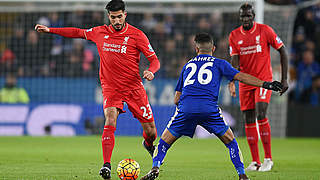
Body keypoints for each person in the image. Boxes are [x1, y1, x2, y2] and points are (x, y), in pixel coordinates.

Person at [35, 0, 160, 179]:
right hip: (111, 88)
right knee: (110, 120)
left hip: (134, 88)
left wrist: (151, 71)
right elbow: (77, 32)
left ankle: (148, 144)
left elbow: (155, 60)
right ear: (108, 16)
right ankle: (106, 165)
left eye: (119, 17)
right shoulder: (100, 32)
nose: (116, 21)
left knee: (151, 131)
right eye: (113, 17)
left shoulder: (137, 35)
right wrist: (50, 30)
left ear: (125, 15)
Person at [140, 33, 283, 180]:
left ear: (196, 49)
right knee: (231, 142)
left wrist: (186, 110)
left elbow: (176, 98)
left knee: (164, 142)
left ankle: (155, 167)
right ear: (213, 48)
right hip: (209, 109)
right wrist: (266, 84)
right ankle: (242, 175)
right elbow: (242, 77)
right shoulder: (220, 63)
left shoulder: (188, 65)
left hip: (187, 109)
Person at [228, 3, 289, 171]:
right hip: (245, 82)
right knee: (248, 119)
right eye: (243, 16)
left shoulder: (265, 30)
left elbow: (282, 51)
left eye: (248, 16)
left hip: (264, 81)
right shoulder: (234, 35)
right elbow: (234, 60)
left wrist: (284, 80)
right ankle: (256, 162)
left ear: (253, 15)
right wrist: (232, 81)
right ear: (240, 17)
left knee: (261, 113)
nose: (246, 19)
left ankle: (268, 159)